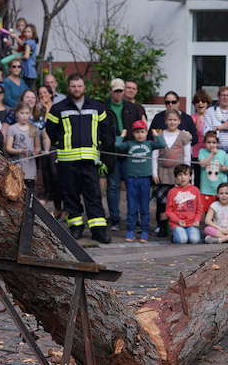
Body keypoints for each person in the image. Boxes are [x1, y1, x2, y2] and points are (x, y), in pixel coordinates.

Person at [45, 74, 111, 243]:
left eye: (79, 86)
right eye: (73, 86)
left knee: (94, 195)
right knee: (71, 195)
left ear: (84, 87)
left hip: (90, 160)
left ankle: (98, 230)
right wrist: (61, 143)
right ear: (69, 88)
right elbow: (50, 130)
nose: (76, 89)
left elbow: (106, 129)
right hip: (67, 161)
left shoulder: (97, 106)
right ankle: (76, 227)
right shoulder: (58, 108)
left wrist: (101, 144)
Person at [114, 120, 165, 243]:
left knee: (144, 207)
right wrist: (122, 136)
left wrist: (155, 134)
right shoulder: (129, 144)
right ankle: (130, 230)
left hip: (145, 180)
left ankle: (144, 231)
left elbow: (162, 144)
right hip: (131, 179)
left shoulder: (149, 144)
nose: (140, 134)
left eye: (142, 132)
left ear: (146, 132)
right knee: (132, 207)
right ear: (133, 133)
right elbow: (117, 146)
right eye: (137, 132)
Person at [104, 78, 145, 230]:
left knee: (132, 186)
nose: (119, 93)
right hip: (111, 152)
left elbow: (140, 129)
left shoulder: (132, 108)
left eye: (121, 91)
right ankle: (114, 219)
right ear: (111, 91)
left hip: (129, 152)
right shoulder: (104, 107)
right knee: (113, 186)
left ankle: (133, 218)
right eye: (116, 91)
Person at [152, 109, 192, 238]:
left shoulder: (184, 136)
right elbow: (155, 155)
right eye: (170, 120)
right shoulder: (160, 135)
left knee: (177, 201)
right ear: (165, 121)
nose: (172, 122)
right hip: (163, 173)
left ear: (179, 121)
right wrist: (154, 172)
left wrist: (186, 174)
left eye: (175, 120)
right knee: (162, 202)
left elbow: (187, 156)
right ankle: (161, 226)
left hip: (177, 175)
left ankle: (175, 225)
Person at [204, 86, 228, 194]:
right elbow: (205, 132)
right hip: (215, 154)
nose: (226, 98)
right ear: (218, 97)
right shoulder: (210, 111)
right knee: (215, 182)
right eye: (223, 95)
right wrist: (220, 127)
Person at [5, 102, 40, 189]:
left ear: (30, 114)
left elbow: (37, 147)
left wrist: (36, 152)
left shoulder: (33, 128)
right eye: (22, 113)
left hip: (30, 166)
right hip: (18, 165)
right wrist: (20, 151)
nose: (24, 116)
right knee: (18, 189)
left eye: (27, 113)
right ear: (17, 114)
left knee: (30, 190)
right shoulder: (12, 128)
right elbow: (8, 148)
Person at [165, 164, 203, 244]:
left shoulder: (195, 190)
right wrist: (177, 220)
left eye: (185, 174)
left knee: (194, 240)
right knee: (182, 240)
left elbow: (199, 209)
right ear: (176, 177)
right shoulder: (172, 192)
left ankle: (185, 234)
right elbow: (169, 211)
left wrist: (197, 220)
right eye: (180, 175)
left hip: (192, 223)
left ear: (190, 177)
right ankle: (174, 236)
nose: (183, 177)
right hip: (177, 224)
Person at [198, 131, 228, 210]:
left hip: (220, 187)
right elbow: (202, 164)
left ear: (217, 143)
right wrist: (212, 154)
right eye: (208, 142)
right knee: (205, 209)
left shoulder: (222, 153)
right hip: (206, 188)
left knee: (219, 208)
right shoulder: (202, 151)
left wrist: (222, 168)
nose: (211, 144)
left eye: (214, 142)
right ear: (204, 143)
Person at [190, 89, 211, 187]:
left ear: (207, 103)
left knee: (209, 179)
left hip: (209, 153)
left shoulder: (211, 117)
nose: (200, 103)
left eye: (203, 101)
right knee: (198, 180)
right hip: (196, 153)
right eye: (197, 101)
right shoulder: (191, 118)